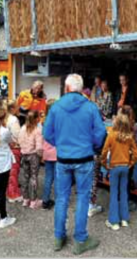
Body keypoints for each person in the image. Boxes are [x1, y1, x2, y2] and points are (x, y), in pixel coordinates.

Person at [43, 74, 106, 254]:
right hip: (84, 159)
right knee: (82, 198)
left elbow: (47, 133)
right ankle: (80, 239)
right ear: (80, 88)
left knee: (62, 198)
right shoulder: (90, 107)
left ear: (67, 88)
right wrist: (91, 145)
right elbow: (100, 133)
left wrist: (61, 144)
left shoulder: (56, 107)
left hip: (63, 159)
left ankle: (58, 237)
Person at [101, 113, 137, 231]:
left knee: (113, 193)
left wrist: (105, 164)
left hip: (114, 167)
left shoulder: (111, 135)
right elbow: (136, 153)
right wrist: (130, 164)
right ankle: (124, 219)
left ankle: (114, 221)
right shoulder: (129, 136)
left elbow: (104, 151)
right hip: (125, 167)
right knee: (123, 193)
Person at [18, 111, 43, 210]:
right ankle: (33, 200)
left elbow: (19, 141)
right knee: (33, 177)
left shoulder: (22, 128)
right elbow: (39, 147)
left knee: (25, 176)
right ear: (36, 119)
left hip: (24, 154)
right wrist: (41, 156)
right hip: (33, 155)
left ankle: (25, 198)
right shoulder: (37, 130)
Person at [117, 105, 137, 211]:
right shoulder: (132, 128)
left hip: (117, 158)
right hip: (127, 158)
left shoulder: (116, 126)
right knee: (126, 180)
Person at [4, 100, 23, 203]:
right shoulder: (13, 119)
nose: (18, 109)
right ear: (12, 109)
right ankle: (12, 194)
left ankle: (7, 191)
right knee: (13, 172)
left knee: (7, 171)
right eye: (17, 107)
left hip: (4, 148)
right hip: (14, 147)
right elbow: (17, 135)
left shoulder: (4, 117)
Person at [42, 99, 57, 210]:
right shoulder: (58, 120)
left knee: (48, 177)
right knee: (58, 177)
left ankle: (45, 199)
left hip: (47, 152)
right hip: (56, 153)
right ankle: (59, 198)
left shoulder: (44, 120)